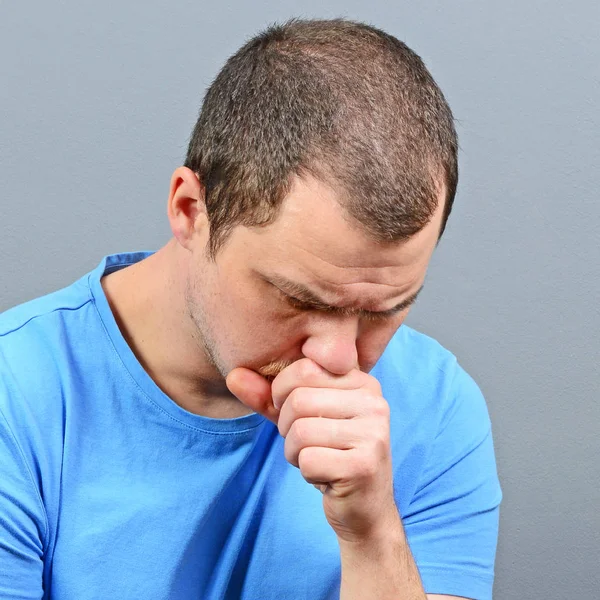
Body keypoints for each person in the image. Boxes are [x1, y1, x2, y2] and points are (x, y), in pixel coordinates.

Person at [0, 17, 502, 600]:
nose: (340, 358)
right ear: (190, 210)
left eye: (384, 310)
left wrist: (371, 534)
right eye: (297, 299)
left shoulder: (437, 406)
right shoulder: (18, 398)